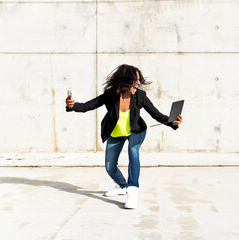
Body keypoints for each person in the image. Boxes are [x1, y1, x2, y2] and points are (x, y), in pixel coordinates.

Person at [65, 64, 182, 209]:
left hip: (136, 131)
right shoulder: (110, 95)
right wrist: (72, 106)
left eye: (139, 80)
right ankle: (122, 186)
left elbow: (156, 115)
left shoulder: (140, 96)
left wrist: (172, 122)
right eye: (135, 80)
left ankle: (132, 191)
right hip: (116, 133)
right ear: (125, 81)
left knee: (133, 152)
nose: (138, 84)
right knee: (110, 167)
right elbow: (87, 106)